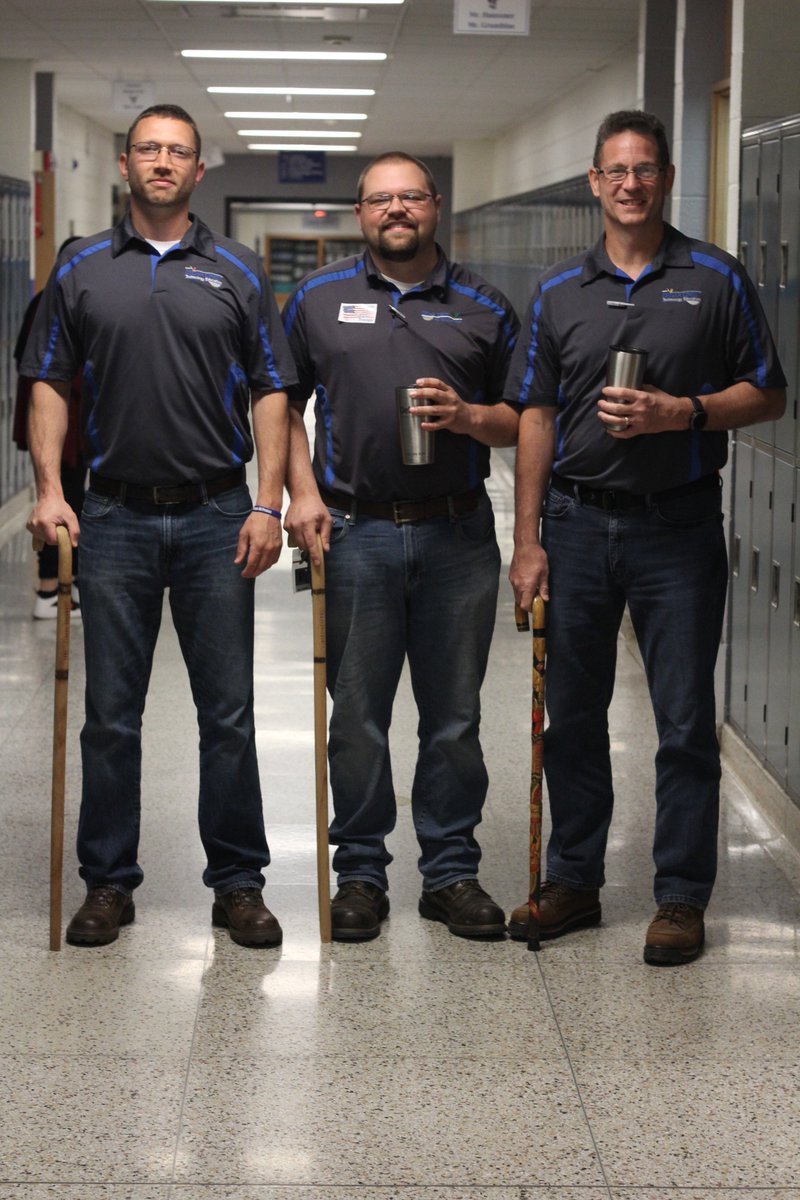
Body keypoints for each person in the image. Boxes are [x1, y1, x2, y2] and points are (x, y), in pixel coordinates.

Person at [505, 109, 787, 965]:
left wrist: (684, 412)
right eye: (615, 171)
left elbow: (769, 395)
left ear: (664, 180)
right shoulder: (559, 291)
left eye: (646, 170)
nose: (631, 184)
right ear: (594, 182)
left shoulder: (715, 277)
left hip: (678, 526)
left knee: (683, 721)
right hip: (580, 525)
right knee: (574, 717)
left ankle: (680, 896)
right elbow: (536, 415)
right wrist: (526, 539)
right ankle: (574, 882)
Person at [23, 103, 296, 948]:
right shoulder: (80, 271)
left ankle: (239, 883)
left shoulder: (240, 273)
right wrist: (47, 490)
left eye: (178, 151)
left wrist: (267, 501)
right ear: (124, 164)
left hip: (218, 514)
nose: (163, 162)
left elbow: (272, 390)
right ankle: (108, 881)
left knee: (229, 712)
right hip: (112, 514)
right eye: (149, 149)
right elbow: (49, 383)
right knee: (111, 711)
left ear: (198, 170)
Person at [282, 151, 520, 941]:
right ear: (360, 213)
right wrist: (301, 494)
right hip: (356, 533)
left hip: (457, 533)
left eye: (410, 197)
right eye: (381, 199)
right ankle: (360, 872)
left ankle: (450, 872)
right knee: (357, 717)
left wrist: (467, 417)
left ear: (435, 206)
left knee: (453, 716)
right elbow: (280, 405)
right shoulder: (317, 299)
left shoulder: (484, 304)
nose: (396, 210)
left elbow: (522, 419)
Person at [14, 236, 85, 619]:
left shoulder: (43, 299)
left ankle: (64, 586)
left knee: (73, 500)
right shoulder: (50, 303)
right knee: (60, 501)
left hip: (75, 422)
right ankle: (51, 590)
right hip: (64, 424)